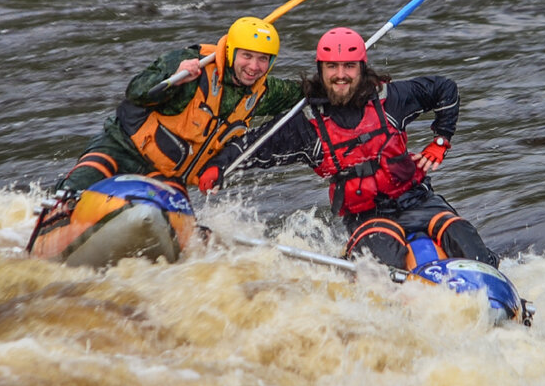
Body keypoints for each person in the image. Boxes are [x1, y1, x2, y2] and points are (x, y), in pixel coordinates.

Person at [197, 26, 499, 270]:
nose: (341, 74)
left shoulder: (391, 98)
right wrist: (218, 165)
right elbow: (253, 146)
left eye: (349, 66)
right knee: (387, 271)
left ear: (361, 68)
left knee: (466, 240)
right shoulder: (305, 124)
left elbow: (445, 89)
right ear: (321, 69)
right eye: (332, 67)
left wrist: (441, 141)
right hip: (367, 217)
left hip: (420, 201)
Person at [53, 15, 303, 194]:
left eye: (262, 60)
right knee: (73, 191)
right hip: (121, 150)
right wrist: (173, 78)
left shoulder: (263, 92)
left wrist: (337, 78)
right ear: (231, 52)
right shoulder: (189, 62)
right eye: (247, 56)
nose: (253, 67)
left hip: (166, 177)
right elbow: (136, 91)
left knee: (177, 226)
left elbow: (304, 91)